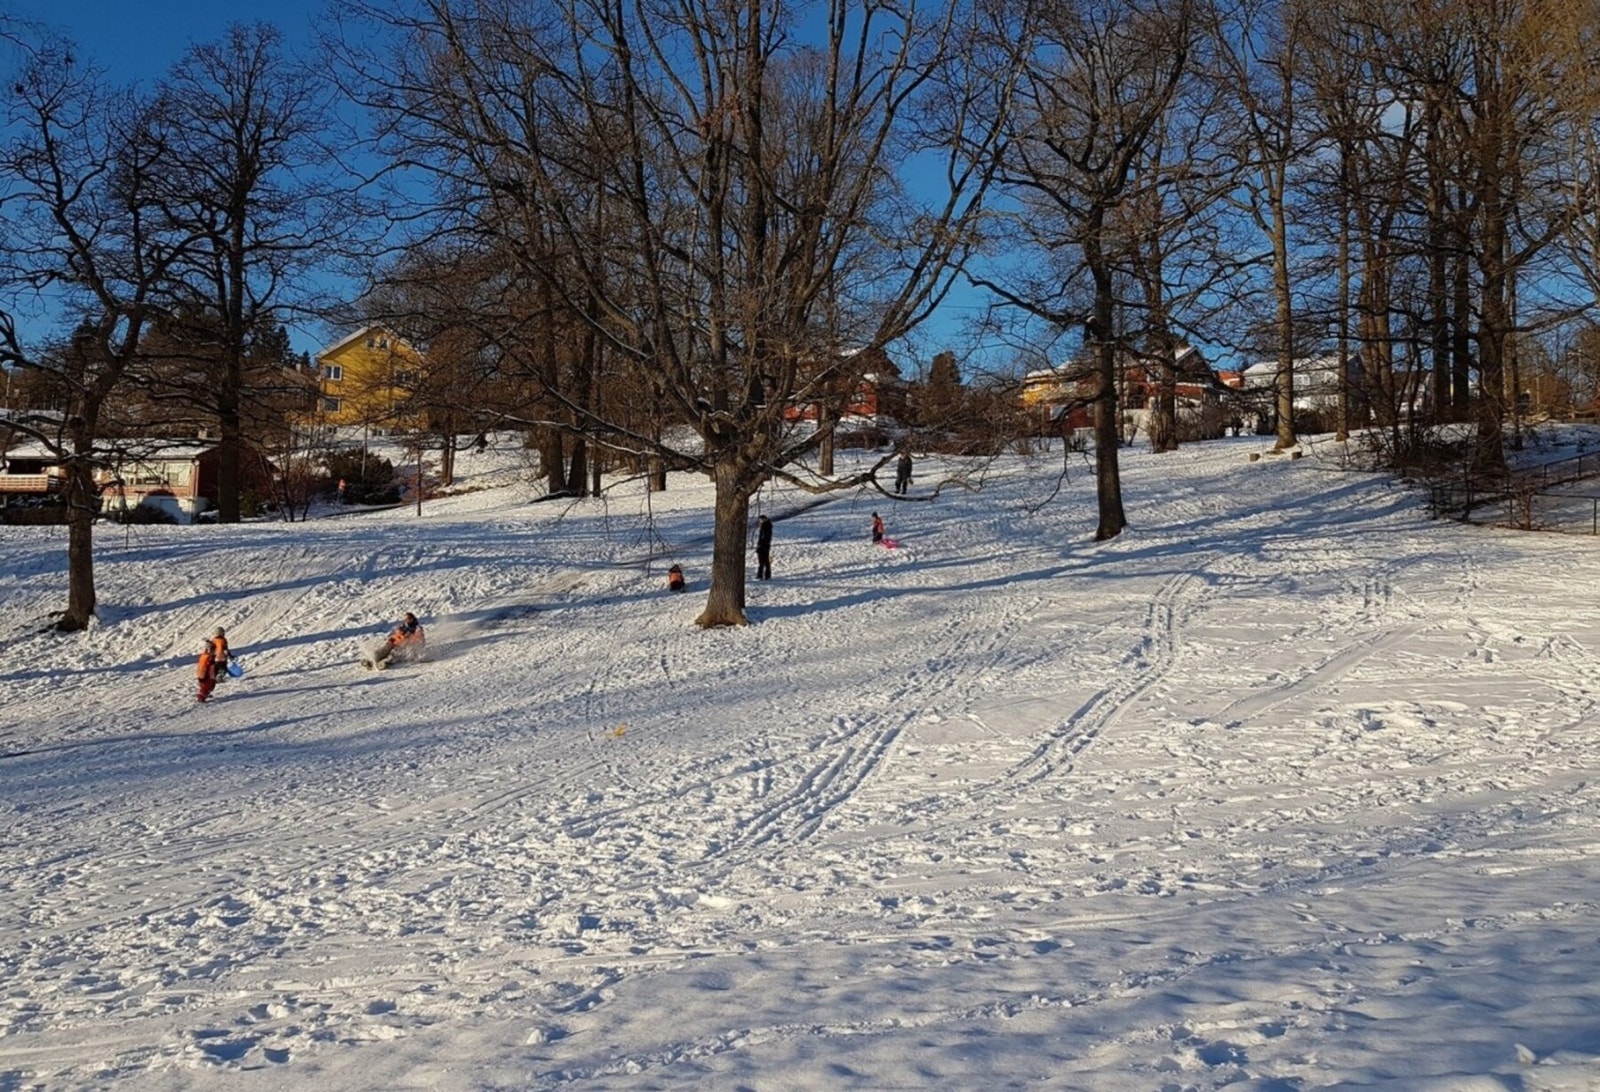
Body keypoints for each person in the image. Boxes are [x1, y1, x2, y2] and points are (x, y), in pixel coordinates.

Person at [196, 626, 231, 703]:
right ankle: (202, 696)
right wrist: (229, 655)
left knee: (206, 678)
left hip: (208, 662)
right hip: (217, 661)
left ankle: (205, 692)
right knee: (211, 680)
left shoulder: (213, 640)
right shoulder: (222, 640)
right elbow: (224, 650)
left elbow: (210, 649)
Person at [755, 515, 773, 580]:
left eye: (761, 520)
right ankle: (764, 574)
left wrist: (760, 544)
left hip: (764, 546)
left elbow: (764, 537)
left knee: (763, 560)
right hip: (764, 545)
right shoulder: (767, 525)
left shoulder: (766, 526)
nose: (760, 521)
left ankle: (762, 575)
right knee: (764, 560)